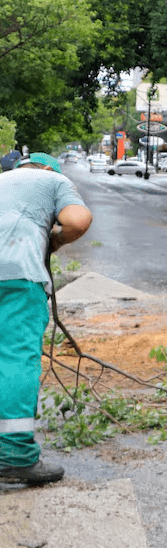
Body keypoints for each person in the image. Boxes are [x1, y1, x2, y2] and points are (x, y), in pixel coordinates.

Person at [0, 153, 92, 484]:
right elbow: (77, 221)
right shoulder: (53, 180)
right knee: (15, 359)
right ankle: (14, 455)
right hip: (15, 277)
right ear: (48, 168)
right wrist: (53, 240)